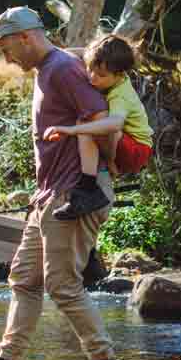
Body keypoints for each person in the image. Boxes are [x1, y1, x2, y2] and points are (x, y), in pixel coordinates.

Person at [0, 6, 127, 360]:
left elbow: (100, 118)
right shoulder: (47, 70)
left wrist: (102, 174)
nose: (5, 58)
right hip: (49, 196)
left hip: (74, 194)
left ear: (26, 38)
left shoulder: (62, 69)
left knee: (63, 284)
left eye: (6, 48)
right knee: (24, 278)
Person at [44, 34, 153, 221]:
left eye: (101, 75)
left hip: (138, 150)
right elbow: (79, 53)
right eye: (89, 70)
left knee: (87, 123)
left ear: (119, 74)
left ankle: (87, 188)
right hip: (126, 144)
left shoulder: (121, 95)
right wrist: (54, 55)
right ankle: (93, 179)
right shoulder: (103, 66)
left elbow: (115, 124)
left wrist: (72, 131)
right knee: (93, 122)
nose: (92, 78)